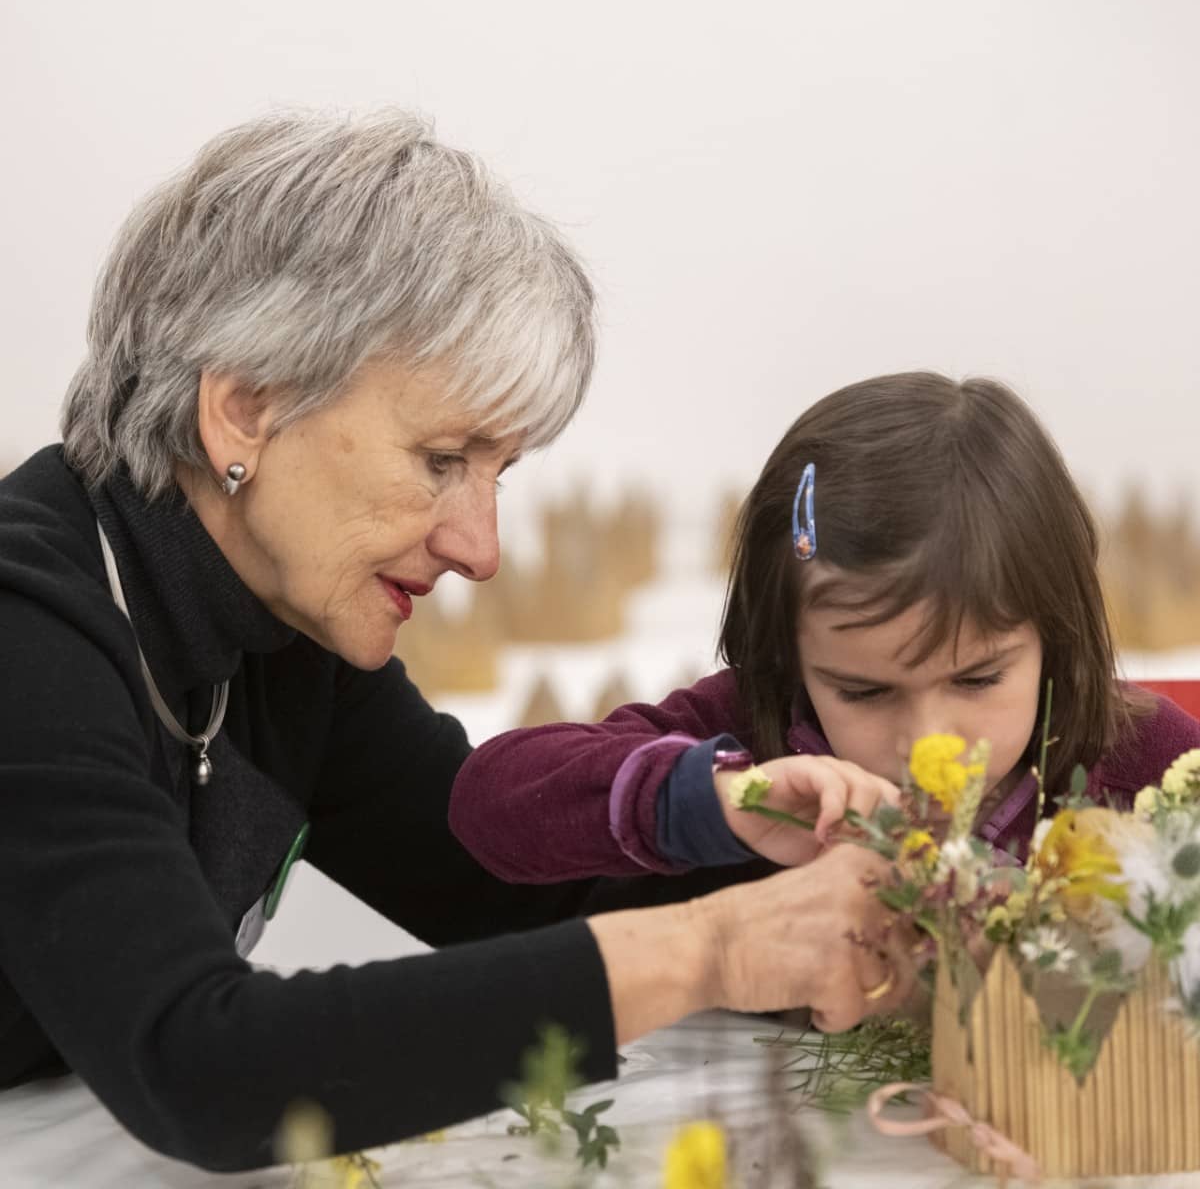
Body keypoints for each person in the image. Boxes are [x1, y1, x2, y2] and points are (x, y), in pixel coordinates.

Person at [0, 111, 915, 1174]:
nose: (480, 549)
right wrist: (713, 950)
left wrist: (751, 850)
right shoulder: (25, 629)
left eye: (498, 474)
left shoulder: (288, 626)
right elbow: (204, 1063)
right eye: (442, 459)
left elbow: (494, 881)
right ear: (243, 408)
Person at [451, 371, 1200, 890]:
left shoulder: (1143, 766)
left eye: (977, 678)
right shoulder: (759, 743)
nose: (928, 738)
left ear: (1056, 637)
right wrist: (720, 804)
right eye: (865, 690)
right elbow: (490, 801)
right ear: (788, 655)